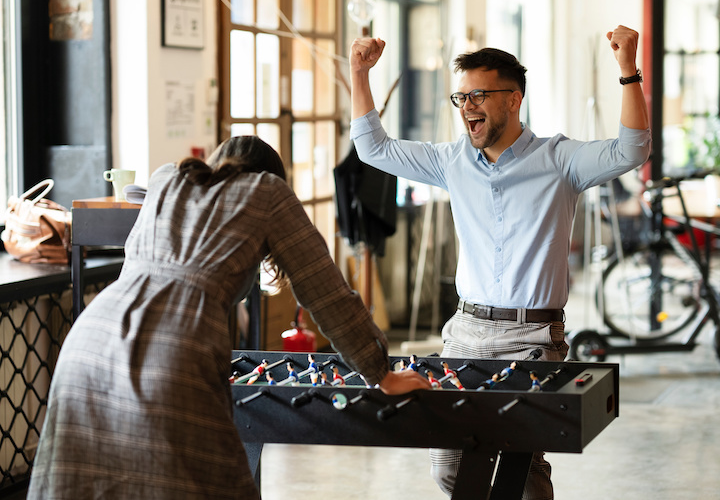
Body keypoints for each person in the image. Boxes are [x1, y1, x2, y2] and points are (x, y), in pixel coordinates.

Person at [27, 135, 430, 499]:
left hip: (89, 341)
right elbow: (327, 292)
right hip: (173, 350)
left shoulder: (168, 177)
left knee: (87, 480)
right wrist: (380, 371)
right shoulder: (268, 192)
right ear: (272, 175)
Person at [350, 26, 651, 499]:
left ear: (513, 100)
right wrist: (359, 74)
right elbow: (375, 149)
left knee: (522, 472)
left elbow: (631, 149)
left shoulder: (560, 160)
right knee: (448, 469)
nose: (467, 106)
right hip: (466, 333)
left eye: (479, 95)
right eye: (461, 96)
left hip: (532, 340)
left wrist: (628, 70)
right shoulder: (452, 161)